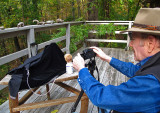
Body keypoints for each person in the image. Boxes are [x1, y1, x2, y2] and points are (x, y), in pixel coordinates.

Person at [73, 8, 160, 113]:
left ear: (150, 43)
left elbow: (102, 97)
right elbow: (136, 70)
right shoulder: (154, 65)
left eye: (133, 39)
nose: (130, 44)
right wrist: (107, 58)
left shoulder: (150, 83)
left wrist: (82, 70)